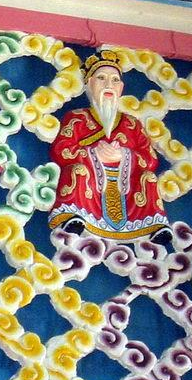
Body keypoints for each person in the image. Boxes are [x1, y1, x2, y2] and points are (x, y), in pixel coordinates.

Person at [49, 49, 171, 244]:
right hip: (90, 185)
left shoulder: (132, 123)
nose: (108, 85)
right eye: (101, 78)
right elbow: (61, 150)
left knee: (149, 178)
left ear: (121, 88)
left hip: (126, 186)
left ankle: (152, 224)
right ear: (89, 83)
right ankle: (75, 216)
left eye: (115, 80)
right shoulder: (77, 118)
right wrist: (92, 153)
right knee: (77, 171)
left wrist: (124, 155)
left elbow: (150, 158)